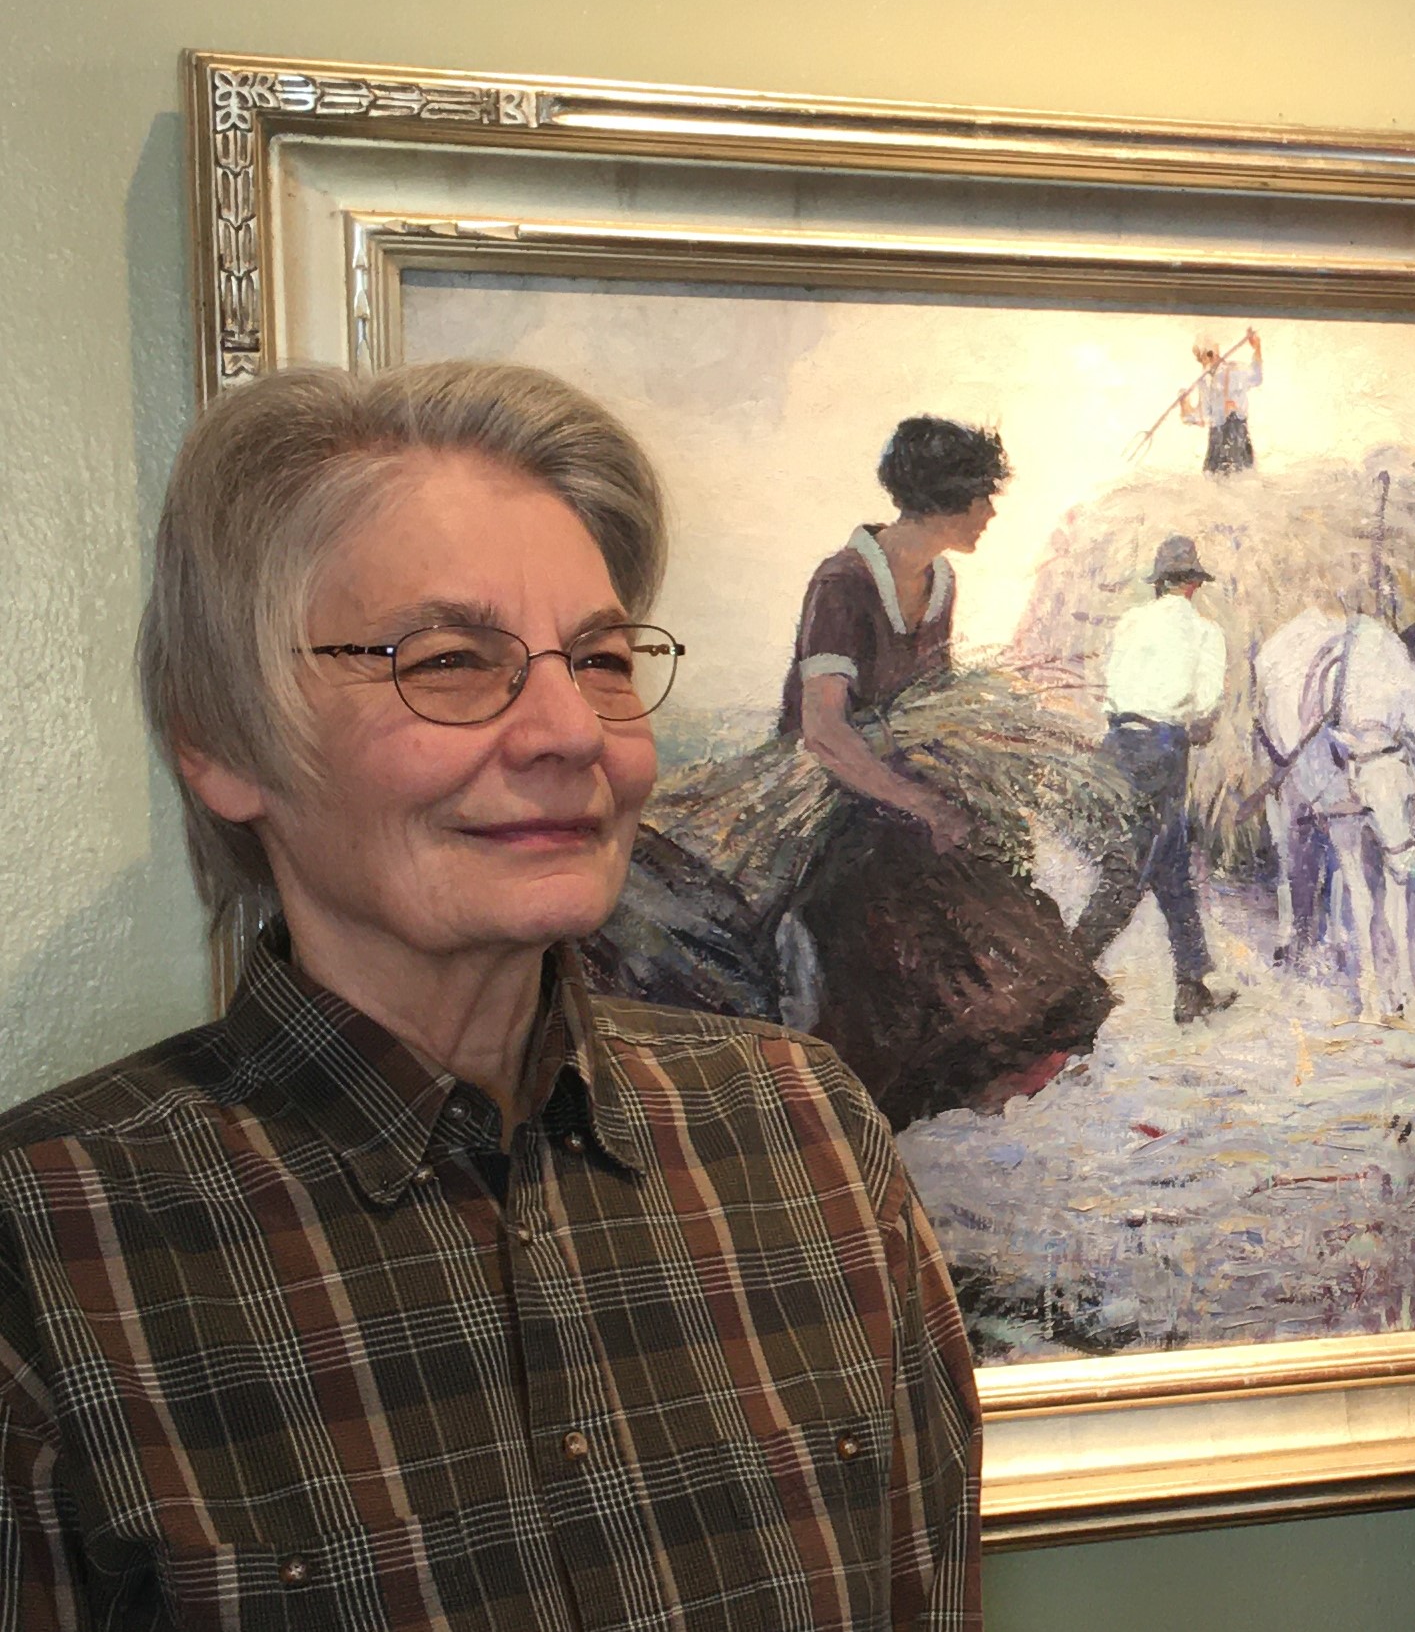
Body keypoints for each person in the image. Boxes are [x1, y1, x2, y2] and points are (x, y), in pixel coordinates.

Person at [3, 362, 980, 1628]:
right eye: (454, 660)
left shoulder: (807, 1138)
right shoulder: (52, 1253)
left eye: (603, 657)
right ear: (224, 743)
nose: (572, 731)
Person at [781, 415, 1112, 1126]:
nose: (990, 513)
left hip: (904, 792)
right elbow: (823, 730)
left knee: (1021, 930)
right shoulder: (843, 582)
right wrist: (923, 805)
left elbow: (937, 701)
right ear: (948, 497)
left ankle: (974, 1085)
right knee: (901, 930)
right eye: (982, 497)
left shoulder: (939, 581)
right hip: (841, 800)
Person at [1073, 535, 1236, 1025]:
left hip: (1116, 745)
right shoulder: (1206, 633)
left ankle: (1193, 985)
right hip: (1164, 751)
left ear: (1160, 582)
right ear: (1191, 583)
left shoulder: (1130, 623)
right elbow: (1204, 709)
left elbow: (1113, 686)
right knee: (1128, 873)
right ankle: (1065, 970)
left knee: (1171, 865)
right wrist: (1198, 727)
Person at [1181, 328, 1263, 473]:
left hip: (1236, 431)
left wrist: (1257, 347)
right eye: (1201, 358)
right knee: (1215, 479)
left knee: (1239, 477)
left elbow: (1256, 377)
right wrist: (1184, 403)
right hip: (1216, 438)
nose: (1204, 362)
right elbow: (1202, 416)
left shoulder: (1235, 369)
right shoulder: (1204, 380)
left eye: (1207, 355)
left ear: (1213, 354)